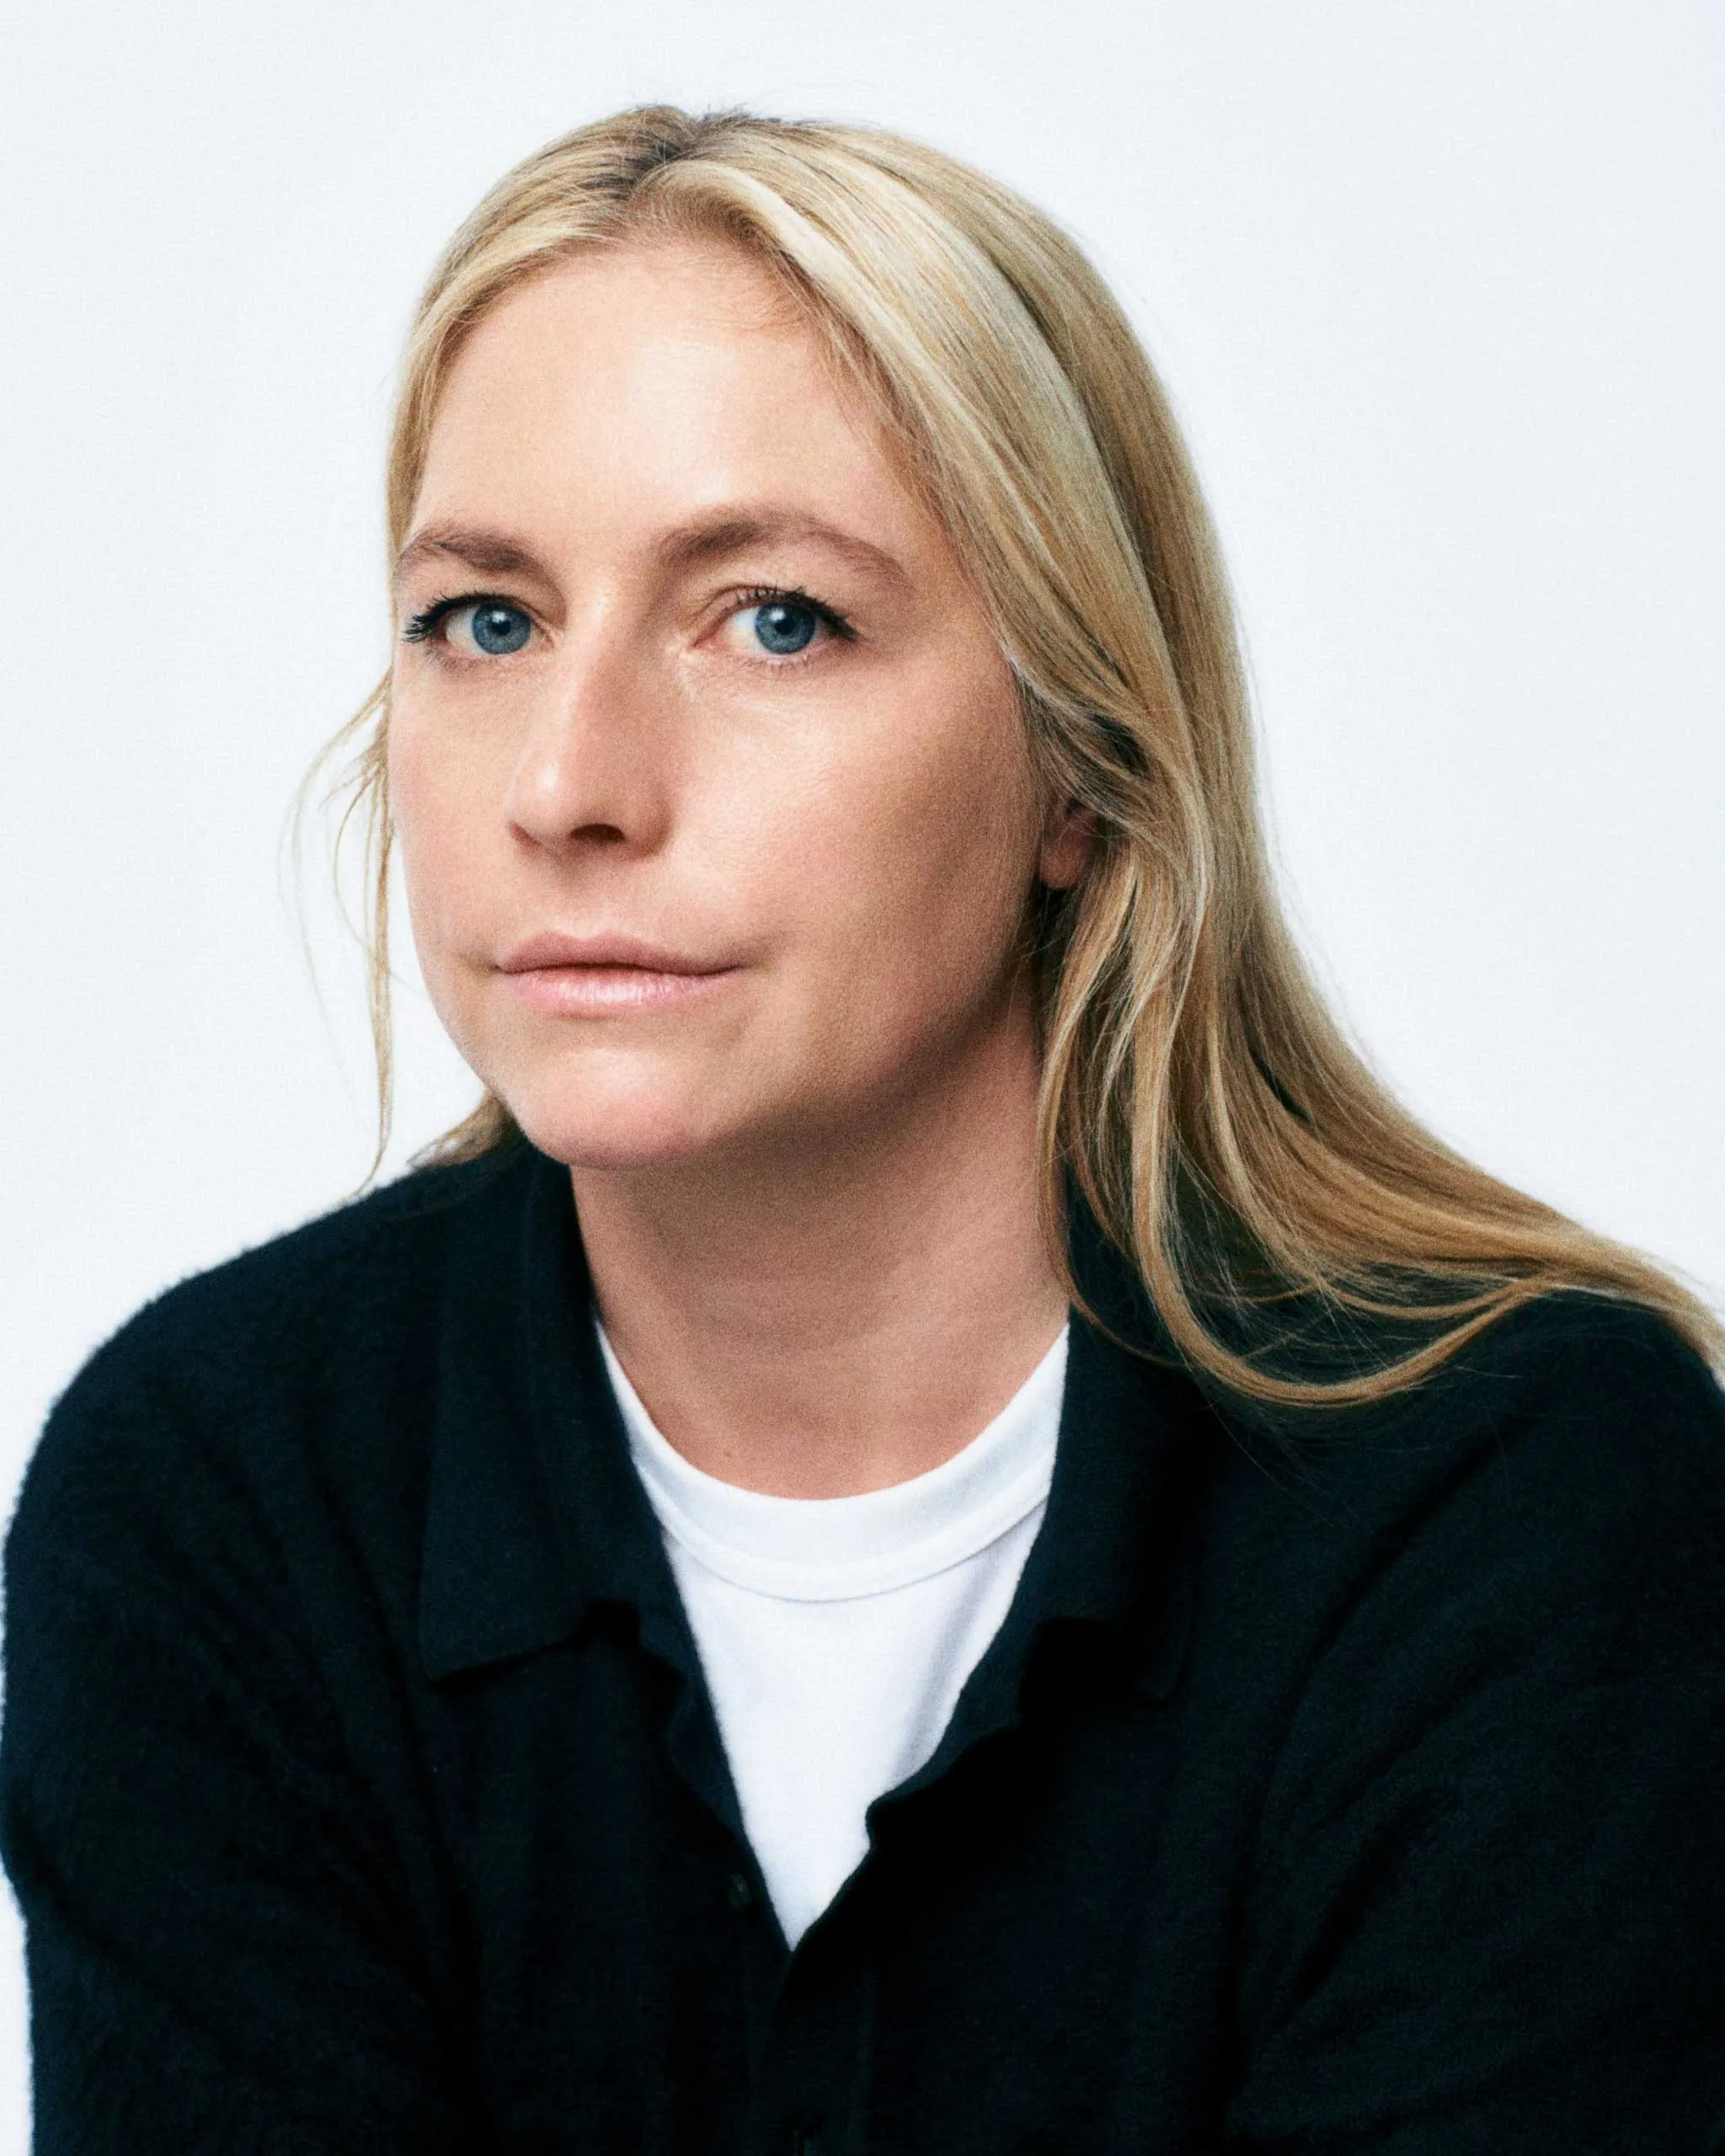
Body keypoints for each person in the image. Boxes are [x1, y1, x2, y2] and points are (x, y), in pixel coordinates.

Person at [3, 102, 1722, 2155]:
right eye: (487, 619)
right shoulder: (219, 1496)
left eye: (775, 618)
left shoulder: (1525, 1497)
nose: (566, 784)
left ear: (1081, 764)